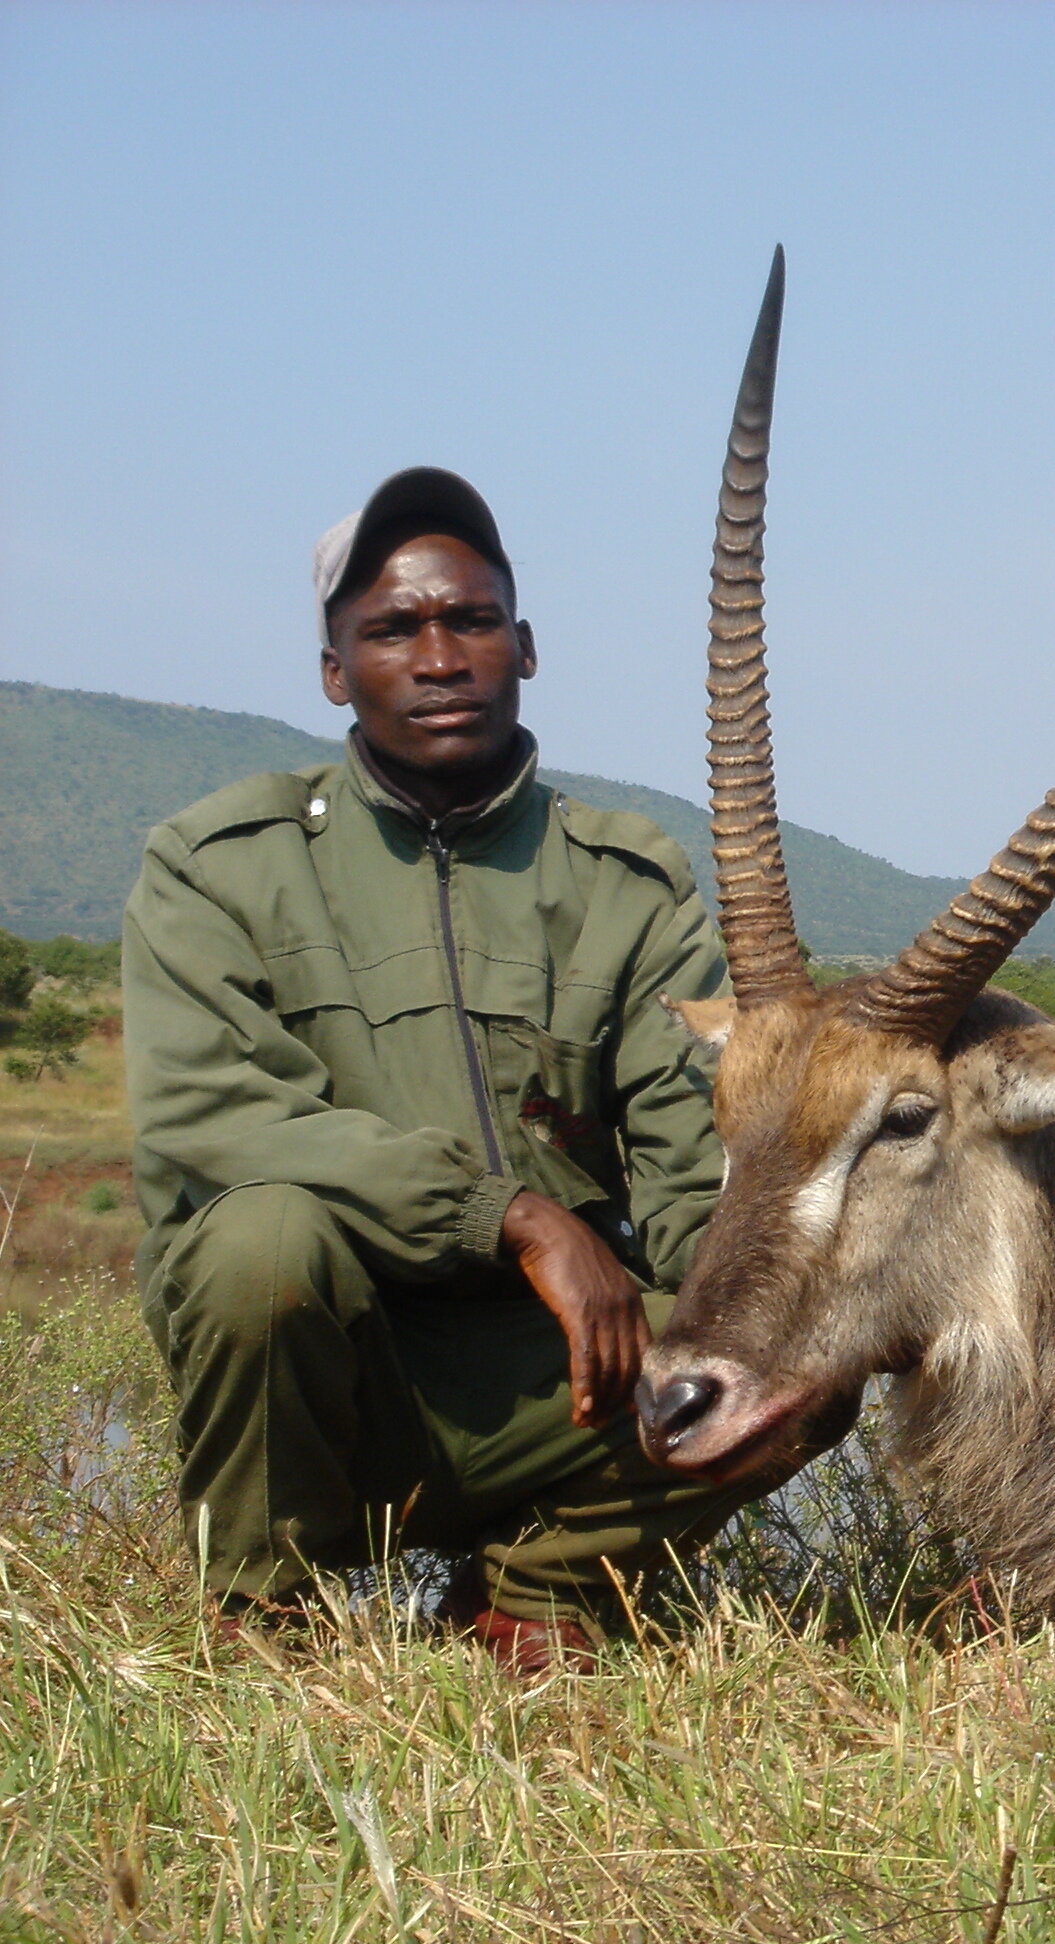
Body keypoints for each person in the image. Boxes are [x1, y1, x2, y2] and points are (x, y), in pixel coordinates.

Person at [124, 468, 797, 1673]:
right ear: (336, 669)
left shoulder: (627, 882)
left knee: (799, 1345)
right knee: (257, 1246)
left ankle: (542, 1590)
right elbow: (215, 1116)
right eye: (393, 630)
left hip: (561, 1379)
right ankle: (273, 1606)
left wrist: (775, 1301)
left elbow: (699, 1168)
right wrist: (516, 1218)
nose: (440, 657)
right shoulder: (215, 864)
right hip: (337, 1373)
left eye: (471, 621)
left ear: (523, 647)